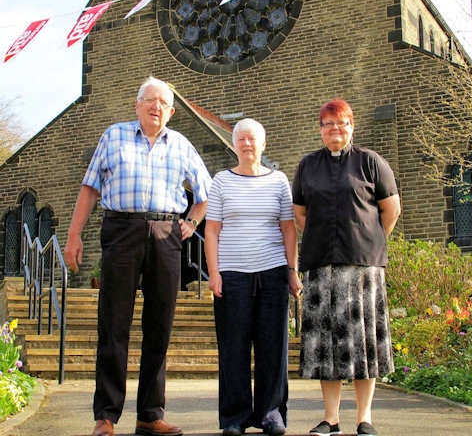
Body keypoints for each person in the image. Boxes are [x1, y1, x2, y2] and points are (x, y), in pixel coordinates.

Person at [63, 76, 212, 436]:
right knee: (113, 323)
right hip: (121, 231)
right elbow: (89, 188)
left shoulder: (181, 145)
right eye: (149, 100)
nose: (156, 106)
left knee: (159, 325)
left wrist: (191, 222)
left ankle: (149, 414)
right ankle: (106, 416)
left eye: (163, 102)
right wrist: (73, 235)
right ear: (137, 104)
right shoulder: (113, 136)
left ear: (172, 111)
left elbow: (206, 191)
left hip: (166, 234)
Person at [292, 99, 401, 436]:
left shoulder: (371, 162)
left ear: (351, 126)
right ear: (320, 128)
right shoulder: (307, 166)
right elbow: (300, 215)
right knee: (327, 346)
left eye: (341, 123)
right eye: (327, 124)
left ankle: (364, 418)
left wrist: (369, 239)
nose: (334, 129)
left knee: (363, 344)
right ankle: (331, 418)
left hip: (363, 270)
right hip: (321, 268)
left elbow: (390, 209)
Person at [205, 118, 302, 436]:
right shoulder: (220, 181)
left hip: (272, 273)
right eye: (241, 139)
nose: (247, 144)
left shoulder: (279, 181)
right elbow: (212, 230)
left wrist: (292, 271)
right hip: (232, 276)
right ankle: (234, 417)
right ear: (234, 145)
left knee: (273, 346)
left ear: (263, 144)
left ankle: (271, 413)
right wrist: (214, 273)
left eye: (252, 139)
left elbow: (288, 229)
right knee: (233, 346)